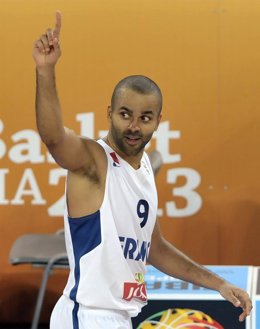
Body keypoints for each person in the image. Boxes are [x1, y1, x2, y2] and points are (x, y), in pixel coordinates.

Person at [33, 11, 252, 329]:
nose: (134, 126)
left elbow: (156, 248)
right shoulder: (94, 162)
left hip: (120, 317)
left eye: (145, 117)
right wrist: (45, 70)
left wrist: (218, 284)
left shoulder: (146, 167)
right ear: (110, 113)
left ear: (157, 121)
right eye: (125, 114)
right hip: (88, 316)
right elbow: (53, 137)